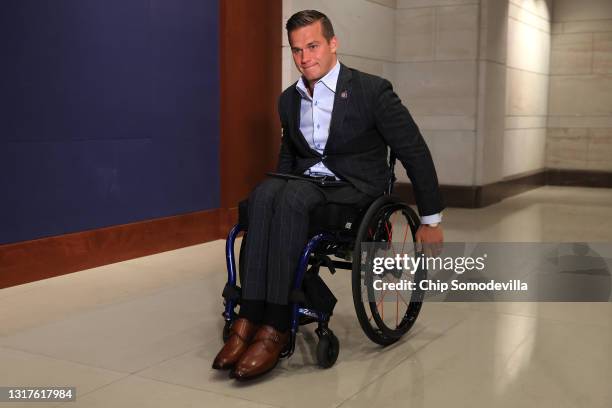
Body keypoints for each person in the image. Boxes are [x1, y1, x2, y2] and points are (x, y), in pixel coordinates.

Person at [213, 9, 444, 380]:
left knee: (291, 199)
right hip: (307, 182)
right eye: (297, 50)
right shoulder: (289, 100)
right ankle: (248, 318)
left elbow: (414, 150)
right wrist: (274, 187)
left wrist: (431, 219)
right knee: (262, 196)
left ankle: (276, 328)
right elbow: (289, 156)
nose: (305, 58)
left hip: (355, 189)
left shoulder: (372, 91)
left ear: (333, 43)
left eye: (313, 46)